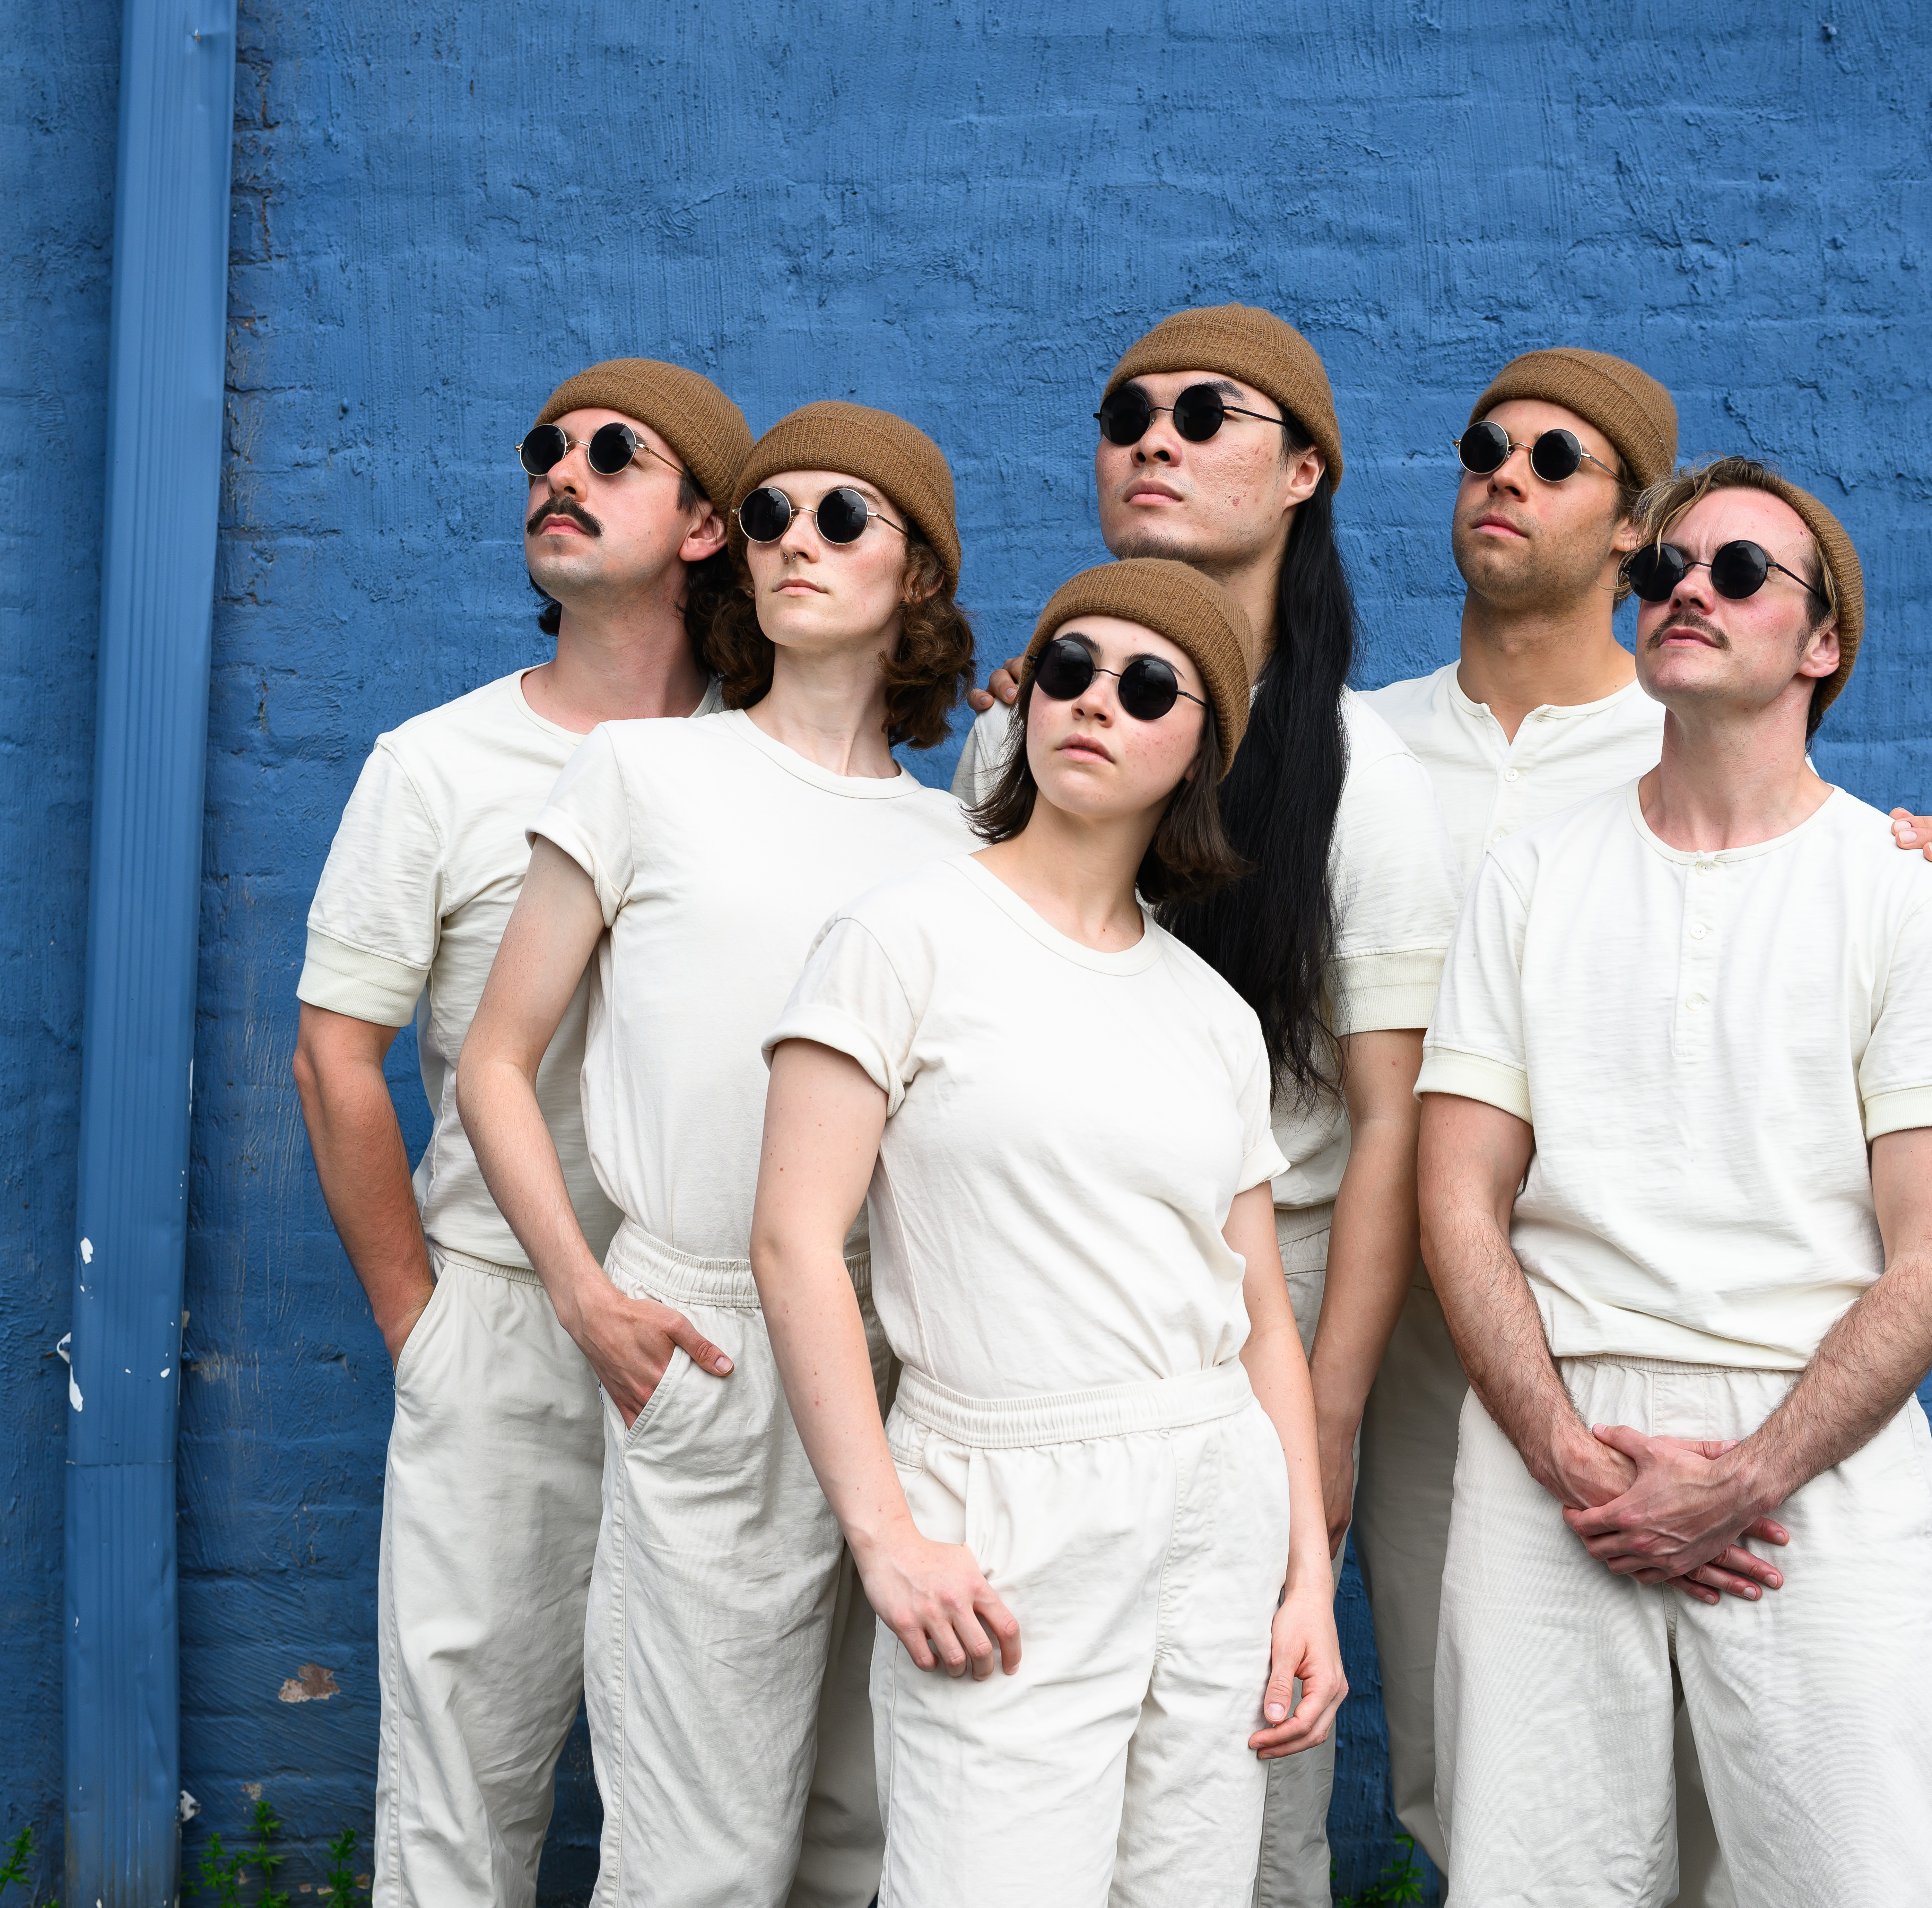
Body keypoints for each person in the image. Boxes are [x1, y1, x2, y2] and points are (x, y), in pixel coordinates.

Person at [1352, 348, 1932, 1882]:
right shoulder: (1533, 875)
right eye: (1665, 568)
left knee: (1865, 1869)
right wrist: (1571, 1454)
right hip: (1551, 1438)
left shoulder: (1907, 894)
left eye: (1738, 569)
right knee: (1537, 1871)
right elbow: (1459, 1199)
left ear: (1822, 640)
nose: (1687, 590)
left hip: (1812, 1453)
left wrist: (1751, 1473)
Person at [756, 559, 1350, 1907]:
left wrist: (1306, 1579)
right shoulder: (901, 936)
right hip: (1005, 1497)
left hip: (1212, 1496)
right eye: (1069, 668)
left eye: (1149, 686)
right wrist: (887, 1536)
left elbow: (1258, 1313)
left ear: (1203, 746)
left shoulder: (1205, 1009)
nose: (1096, 702)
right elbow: (794, 1243)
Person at [952, 310, 1454, 1903]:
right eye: (1127, 412)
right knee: (1003, 1761)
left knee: (1236, 1802)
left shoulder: (1365, 780)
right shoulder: (1019, 729)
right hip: (1015, 1329)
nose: (1154, 438)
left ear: (1304, 471)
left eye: (1207, 415)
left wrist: (1322, 1417)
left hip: (1255, 1323)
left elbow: (1390, 1126)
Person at [454, 401, 976, 1908]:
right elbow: (497, 1058)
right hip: (700, 1336)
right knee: (697, 1839)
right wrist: (583, 1293)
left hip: (904, 1354)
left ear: (919, 576)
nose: (794, 543)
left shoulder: (959, 844)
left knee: (864, 1818)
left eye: (841, 518)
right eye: (767, 517)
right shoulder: (645, 777)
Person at [290, 358, 747, 1908]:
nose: (563, 468)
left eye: (616, 454)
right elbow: (335, 1057)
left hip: (715, 1329)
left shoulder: (769, 763)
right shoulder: (435, 765)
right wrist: (424, 1319)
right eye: (547, 449)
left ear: (704, 526)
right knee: (459, 1786)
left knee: (718, 1781)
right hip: (499, 1317)